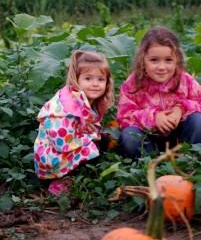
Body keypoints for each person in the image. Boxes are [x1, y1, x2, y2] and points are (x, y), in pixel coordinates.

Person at [34, 50, 114, 195]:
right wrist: (90, 137)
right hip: (51, 163)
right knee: (97, 145)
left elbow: (77, 129)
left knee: (103, 140)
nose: (95, 84)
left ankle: (79, 177)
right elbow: (61, 143)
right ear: (76, 79)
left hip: (60, 156)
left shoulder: (82, 101)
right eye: (88, 78)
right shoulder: (66, 107)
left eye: (101, 79)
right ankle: (61, 182)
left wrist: (89, 132)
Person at [116, 26, 201, 159]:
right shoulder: (132, 84)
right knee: (129, 136)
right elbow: (124, 117)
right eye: (154, 60)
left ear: (177, 61)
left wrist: (180, 109)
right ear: (142, 61)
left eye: (168, 60)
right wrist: (153, 118)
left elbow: (199, 102)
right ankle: (152, 162)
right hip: (149, 139)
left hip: (181, 138)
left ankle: (189, 158)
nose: (161, 67)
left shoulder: (185, 80)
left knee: (198, 120)